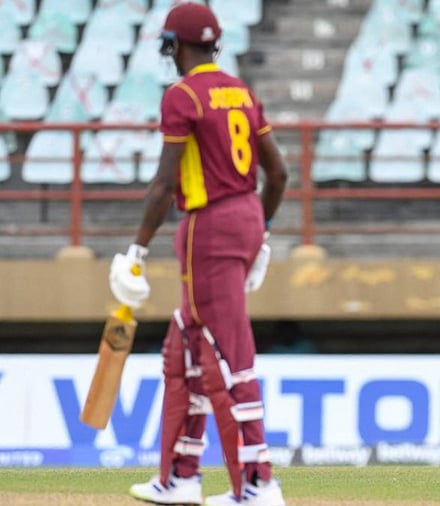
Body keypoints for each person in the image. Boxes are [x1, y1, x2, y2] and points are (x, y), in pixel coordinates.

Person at [109, 3, 288, 505]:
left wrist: (136, 250)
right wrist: (262, 235)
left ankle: (257, 483)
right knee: (184, 350)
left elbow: (165, 184)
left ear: (174, 45)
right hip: (247, 216)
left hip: (208, 226)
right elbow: (278, 176)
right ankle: (181, 475)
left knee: (228, 355)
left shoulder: (182, 95)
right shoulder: (243, 92)